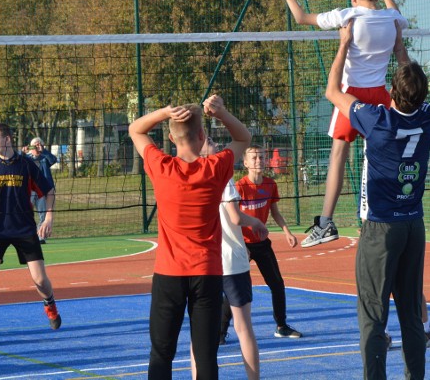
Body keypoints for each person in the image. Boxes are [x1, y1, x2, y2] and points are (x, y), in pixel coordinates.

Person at [326, 22, 430, 379]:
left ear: (392, 90)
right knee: (410, 313)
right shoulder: (429, 117)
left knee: (373, 316)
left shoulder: (377, 120)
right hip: (413, 226)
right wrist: (399, 45)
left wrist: (344, 44)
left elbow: (332, 91)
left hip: (382, 229)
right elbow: (411, 85)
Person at [273, 0, 409, 247]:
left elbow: (301, 17)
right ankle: (390, 211)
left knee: (338, 154)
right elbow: (396, 12)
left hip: (352, 96)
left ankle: (326, 222)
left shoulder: (348, 15)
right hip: (380, 95)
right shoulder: (391, 18)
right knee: (384, 156)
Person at [128, 95, 251, 380]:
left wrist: (163, 112)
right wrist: (221, 113)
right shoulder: (215, 168)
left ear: (171, 138)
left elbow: (136, 129)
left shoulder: (161, 167)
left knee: (161, 352)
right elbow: (244, 137)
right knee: (206, 354)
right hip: (207, 273)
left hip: (169, 275)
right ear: (202, 135)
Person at [0, 122, 61, 348]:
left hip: (24, 229)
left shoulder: (26, 165)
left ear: (7, 140)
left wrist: (48, 218)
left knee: (39, 279)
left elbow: (48, 191)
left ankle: (49, 303)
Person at [192, 138, 269, 380]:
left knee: (202, 333)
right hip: (231, 261)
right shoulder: (222, 176)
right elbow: (235, 218)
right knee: (243, 327)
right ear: (199, 147)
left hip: (204, 263)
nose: (216, 143)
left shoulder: (188, 177)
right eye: (210, 140)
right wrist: (255, 222)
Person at [222, 145, 302, 340]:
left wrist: (287, 232)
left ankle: (281, 326)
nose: (258, 160)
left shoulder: (270, 184)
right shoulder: (239, 187)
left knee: (277, 284)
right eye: (254, 158)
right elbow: (234, 218)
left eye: (261, 157)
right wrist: (241, 243)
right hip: (243, 245)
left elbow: (274, 212)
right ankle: (220, 331)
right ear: (246, 163)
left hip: (262, 244)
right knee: (236, 289)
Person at [22, 137, 58, 244]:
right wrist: (22, 152)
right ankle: (26, 235)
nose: (36, 147)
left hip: (43, 190)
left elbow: (53, 160)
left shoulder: (44, 158)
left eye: (39, 145)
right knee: (26, 212)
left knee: (43, 213)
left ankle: (41, 236)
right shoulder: (26, 158)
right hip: (30, 190)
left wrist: (44, 151)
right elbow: (17, 162)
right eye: (34, 145)